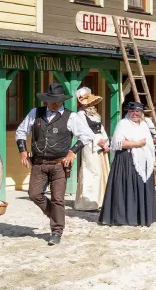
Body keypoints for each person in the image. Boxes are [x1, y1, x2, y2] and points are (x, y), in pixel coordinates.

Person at [15, 82, 100, 245]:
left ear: (62, 101)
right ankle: (55, 215)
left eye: (57, 101)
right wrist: (22, 151)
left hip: (60, 163)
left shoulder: (71, 116)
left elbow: (87, 136)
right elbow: (20, 131)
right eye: (51, 100)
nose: (54, 103)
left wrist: (72, 151)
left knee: (57, 199)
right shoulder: (36, 113)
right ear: (46, 100)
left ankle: (56, 230)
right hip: (39, 162)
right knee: (34, 194)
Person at [98, 101, 156, 228]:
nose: (135, 113)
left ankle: (141, 217)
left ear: (141, 113)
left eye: (137, 111)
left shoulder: (144, 125)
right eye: (132, 111)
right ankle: (125, 217)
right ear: (128, 112)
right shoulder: (123, 124)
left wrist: (153, 160)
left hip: (144, 160)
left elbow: (150, 145)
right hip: (126, 160)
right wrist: (137, 144)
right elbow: (117, 143)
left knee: (142, 186)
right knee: (127, 187)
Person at [73, 88, 110, 212]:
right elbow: (85, 131)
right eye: (89, 102)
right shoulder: (80, 114)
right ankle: (87, 203)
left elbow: (101, 129)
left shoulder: (95, 114)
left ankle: (100, 200)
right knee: (92, 171)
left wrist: (105, 142)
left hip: (101, 145)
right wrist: (97, 141)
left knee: (103, 171)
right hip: (90, 145)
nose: (91, 104)